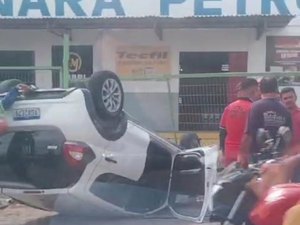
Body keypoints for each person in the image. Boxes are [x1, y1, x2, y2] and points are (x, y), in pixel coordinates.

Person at [239, 77, 293, 168]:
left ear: (260, 89)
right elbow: (289, 138)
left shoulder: (256, 107)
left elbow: (248, 135)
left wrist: (242, 155)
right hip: (279, 159)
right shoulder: (285, 109)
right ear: (276, 89)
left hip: (258, 159)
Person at [219, 78, 260, 166]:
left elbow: (222, 132)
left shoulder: (229, 108)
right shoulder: (254, 108)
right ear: (254, 90)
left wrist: (223, 153)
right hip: (246, 155)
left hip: (229, 153)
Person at [280, 87, 300, 154]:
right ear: (281, 100)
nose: (288, 100)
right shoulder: (279, 116)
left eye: (290, 97)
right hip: (283, 154)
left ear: (295, 97)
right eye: (285, 98)